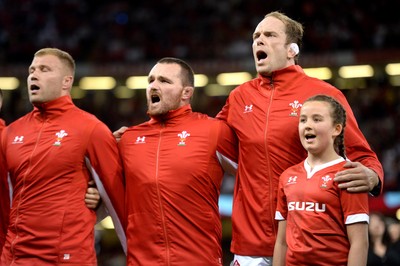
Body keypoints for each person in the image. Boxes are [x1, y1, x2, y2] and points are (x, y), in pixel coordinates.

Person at [215, 11, 383, 265]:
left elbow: (362, 155)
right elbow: (207, 140)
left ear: (292, 49)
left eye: (269, 35)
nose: (259, 41)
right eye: (256, 36)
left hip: (306, 246)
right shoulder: (239, 97)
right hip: (250, 246)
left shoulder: (324, 94)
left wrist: (372, 176)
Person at [0, 48, 126, 265]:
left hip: (66, 258)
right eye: (32, 70)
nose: (34, 75)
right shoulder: (11, 133)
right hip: (14, 258)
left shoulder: (90, 129)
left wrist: (136, 257)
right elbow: (5, 203)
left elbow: (118, 201)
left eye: (44, 69)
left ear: (66, 82)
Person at [118, 57, 238, 265]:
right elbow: (100, 188)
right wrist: (94, 195)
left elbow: (256, 175)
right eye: (151, 80)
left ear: (186, 93)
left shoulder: (213, 131)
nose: (154, 86)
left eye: (164, 81)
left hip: (198, 260)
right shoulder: (128, 140)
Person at [273, 94, 369, 266]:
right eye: (303, 120)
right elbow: (281, 242)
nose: (308, 125)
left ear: (336, 129)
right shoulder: (287, 176)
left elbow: (359, 243)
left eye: (317, 120)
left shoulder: (350, 174)